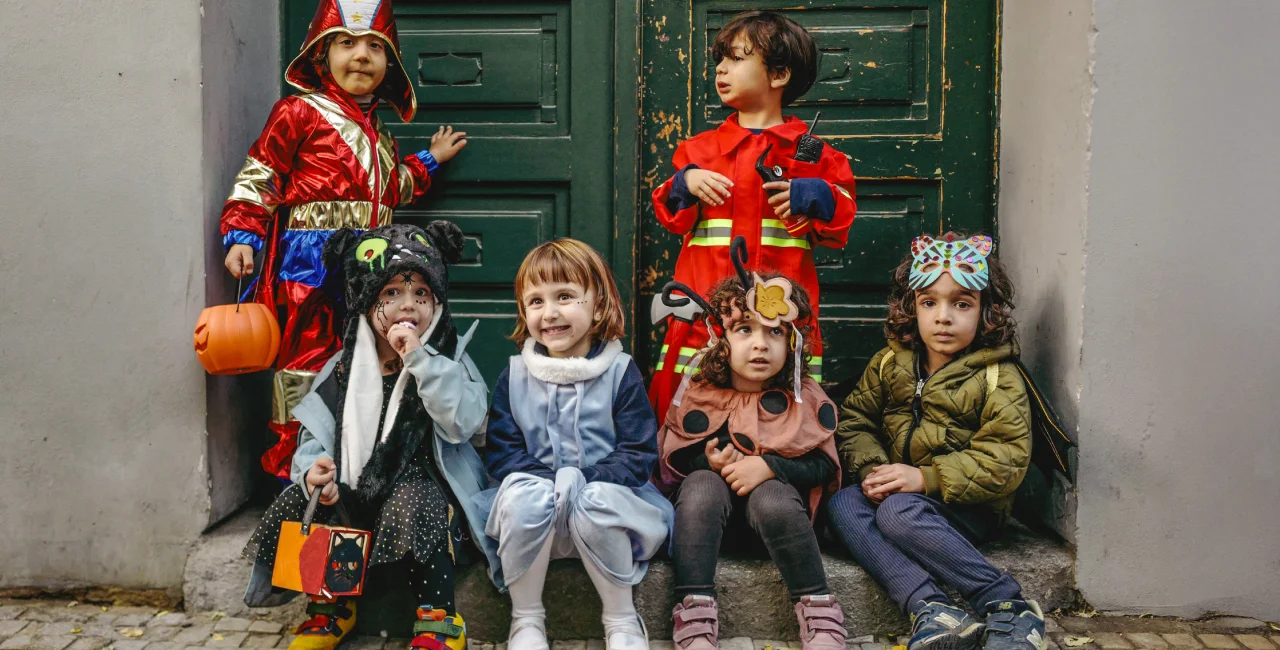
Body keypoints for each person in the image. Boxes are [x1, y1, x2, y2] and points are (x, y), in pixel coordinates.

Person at [220, 0, 469, 479]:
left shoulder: (379, 133)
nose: (362, 55)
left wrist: (430, 159)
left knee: (364, 364)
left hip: (371, 266)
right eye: (347, 43)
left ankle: (355, 472)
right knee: (304, 366)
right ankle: (291, 474)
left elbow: (392, 186)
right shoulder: (298, 112)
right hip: (310, 268)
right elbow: (262, 174)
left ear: (390, 63)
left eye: (376, 46)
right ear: (320, 54)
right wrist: (243, 231)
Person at [241, 223, 498, 650]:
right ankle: (332, 605)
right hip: (357, 509)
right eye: (391, 294)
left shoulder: (449, 361)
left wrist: (419, 359)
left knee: (416, 496)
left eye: (421, 295)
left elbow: (463, 421)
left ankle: (438, 618)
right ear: (365, 302)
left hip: (427, 514)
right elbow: (312, 439)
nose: (408, 307)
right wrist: (312, 472)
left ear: (436, 304)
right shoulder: (341, 370)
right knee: (303, 497)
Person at [826, 234, 1046, 650]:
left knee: (899, 511)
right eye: (929, 303)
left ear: (986, 313)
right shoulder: (891, 362)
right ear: (911, 308)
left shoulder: (997, 376)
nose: (943, 317)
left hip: (970, 506)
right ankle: (933, 607)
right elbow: (854, 420)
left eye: (961, 304)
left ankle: (1008, 604)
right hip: (901, 493)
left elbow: (1006, 460)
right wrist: (875, 470)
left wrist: (924, 478)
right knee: (843, 504)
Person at [648, 9, 856, 423]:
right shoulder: (698, 152)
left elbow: (839, 224)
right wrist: (682, 185)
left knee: (781, 405)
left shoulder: (815, 158)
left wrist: (814, 192)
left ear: (778, 75)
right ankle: (683, 474)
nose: (722, 69)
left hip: (779, 318)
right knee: (692, 398)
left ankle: (775, 474)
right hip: (706, 311)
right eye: (719, 61)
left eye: (737, 58)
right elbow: (670, 215)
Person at [478, 239, 673, 650]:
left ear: (597, 305)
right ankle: (526, 619)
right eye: (535, 301)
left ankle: (621, 619)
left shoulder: (620, 372)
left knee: (596, 499)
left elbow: (638, 454)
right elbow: (503, 453)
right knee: (522, 496)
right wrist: (551, 482)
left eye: (564, 296)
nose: (549, 313)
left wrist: (583, 479)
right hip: (537, 517)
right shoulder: (513, 376)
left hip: (608, 514)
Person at [653, 238, 846, 650]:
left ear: (791, 343)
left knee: (770, 493)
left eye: (774, 332)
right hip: (709, 532)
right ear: (722, 340)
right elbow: (674, 454)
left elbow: (823, 465)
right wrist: (705, 458)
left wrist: (770, 467)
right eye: (745, 330)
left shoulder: (802, 397)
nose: (759, 344)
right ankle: (695, 609)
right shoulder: (700, 391)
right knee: (701, 484)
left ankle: (818, 609)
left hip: (780, 528)